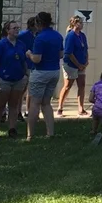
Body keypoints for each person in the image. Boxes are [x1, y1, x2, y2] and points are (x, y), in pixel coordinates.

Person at [25, 12, 62, 140]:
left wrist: (29, 54)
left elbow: (37, 59)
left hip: (40, 72)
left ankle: (30, 135)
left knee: (34, 103)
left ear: (38, 23)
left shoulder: (40, 38)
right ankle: (50, 133)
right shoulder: (57, 36)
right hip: (55, 71)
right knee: (46, 103)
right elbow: (61, 54)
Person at [0, 20, 28, 139]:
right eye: (14, 28)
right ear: (7, 30)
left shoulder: (21, 44)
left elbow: (23, 61)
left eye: (18, 28)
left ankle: (12, 129)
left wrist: (26, 74)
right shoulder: (0, 45)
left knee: (14, 105)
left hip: (18, 79)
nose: (17, 30)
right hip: (4, 79)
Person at [58, 15, 89, 116]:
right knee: (68, 86)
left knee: (82, 85)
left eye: (82, 22)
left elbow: (86, 49)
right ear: (74, 24)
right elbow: (69, 53)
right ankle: (60, 108)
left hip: (81, 65)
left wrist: (86, 61)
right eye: (79, 22)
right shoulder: (70, 36)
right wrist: (78, 64)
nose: (81, 24)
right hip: (71, 65)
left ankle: (81, 108)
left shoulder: (82, 35)